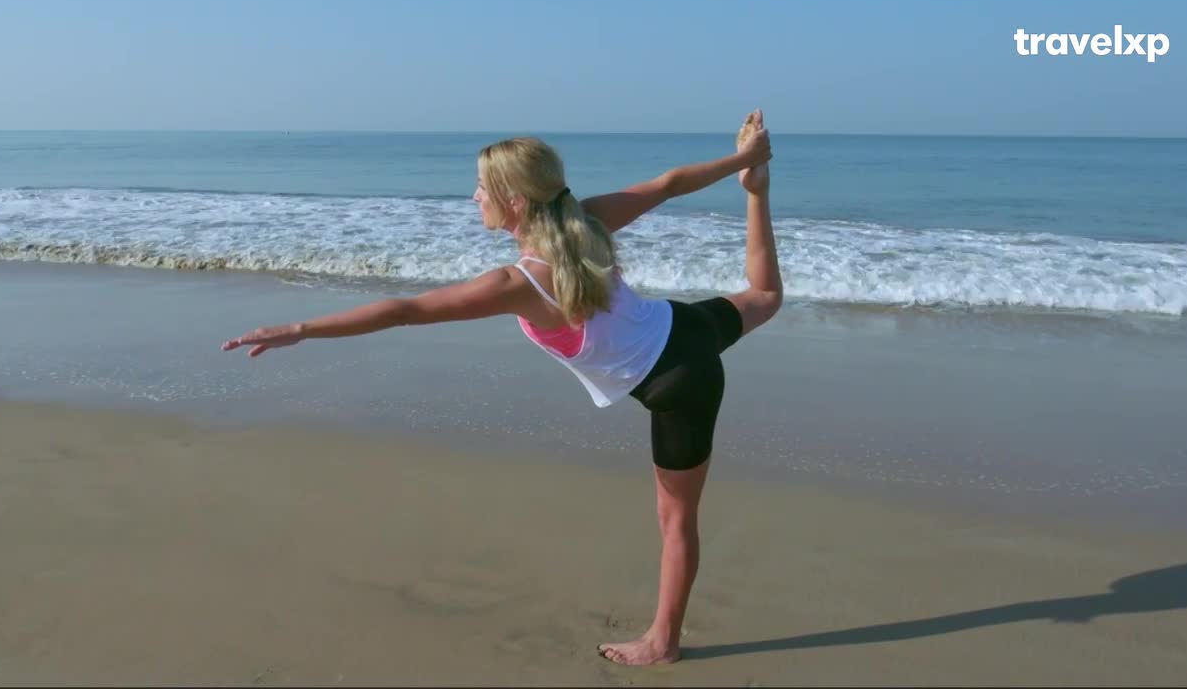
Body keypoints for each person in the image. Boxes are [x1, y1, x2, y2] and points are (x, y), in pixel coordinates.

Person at [221, 110, 783, 665]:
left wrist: (301, 329)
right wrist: (745, 161)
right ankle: (756, 192)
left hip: (677, 385)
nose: (473, 198)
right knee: (765, 297)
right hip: (684, 329)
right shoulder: (586, 223)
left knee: (676, 521)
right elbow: (665, 186)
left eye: (481, 189)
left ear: (515, 201)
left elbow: (403, 311)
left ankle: (663, 643)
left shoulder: (517, 283)